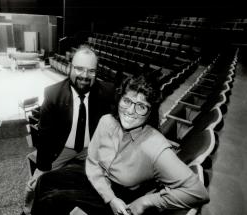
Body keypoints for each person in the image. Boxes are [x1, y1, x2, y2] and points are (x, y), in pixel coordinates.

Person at [30, 71, 209, 215]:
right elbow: (92, 163)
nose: (130, 111)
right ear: (120, 99)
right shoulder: (106, 121)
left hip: (120, 195)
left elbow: (198, 192)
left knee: (53, 201)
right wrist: (108, 195)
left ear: (150, 111)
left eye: (141, 106)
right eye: (127, 100)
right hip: (96, 176)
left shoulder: (156, 147)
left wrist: (147, 201)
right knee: (44, 181)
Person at [21, 45, 115, 215]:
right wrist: (42, 167)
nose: (85, 76)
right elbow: (44, 134)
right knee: (36, 183)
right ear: (70, 67)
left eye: (91, 71)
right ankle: (28, 210)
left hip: (91, 149)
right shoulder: (53, 94)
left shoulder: (106, 92)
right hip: (62, 148)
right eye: (79, 69)